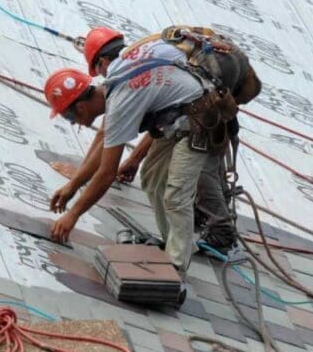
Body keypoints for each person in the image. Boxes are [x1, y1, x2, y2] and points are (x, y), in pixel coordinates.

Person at [46, 32, 231, 274]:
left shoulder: (119, 103)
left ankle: (175, 265)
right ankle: (174, 244)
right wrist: (73, 186)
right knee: (152, 180)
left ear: (80, 107)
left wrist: (73, 215)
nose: (76, 123)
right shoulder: (113, 79)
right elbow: (103, 146)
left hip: (201, 120)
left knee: (176, 193)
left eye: (71, 118)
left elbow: (106, 173)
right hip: (180, 118)